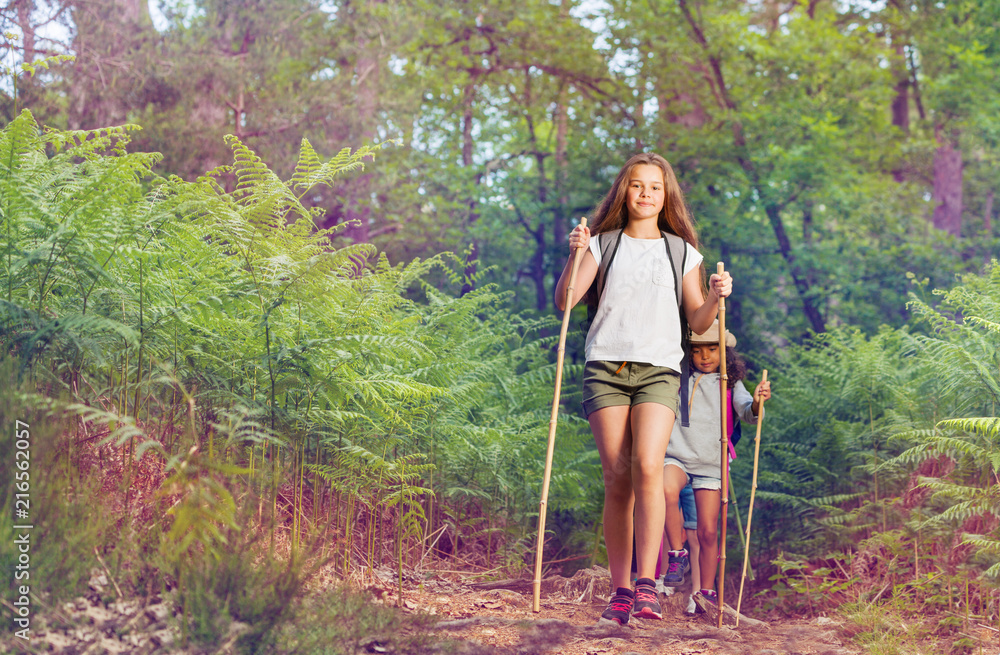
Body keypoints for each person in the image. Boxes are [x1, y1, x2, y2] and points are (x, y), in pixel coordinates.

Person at [554, 152, 732, 625]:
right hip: (605, 367)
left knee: (650, 466)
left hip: (659, 370)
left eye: (655, 187)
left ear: (666, 194)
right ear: (624, 192)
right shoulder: (602, 245)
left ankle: (649, 586)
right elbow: (567, 300)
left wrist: (715, 296)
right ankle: (620, 590)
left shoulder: (681, 252)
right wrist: (575, 254)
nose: (646, 194)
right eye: (637, 186)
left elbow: (697, 321)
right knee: (618, 477)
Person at [661, 321, 771, 608]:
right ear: (688, 353)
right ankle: (676, 554)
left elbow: (748, 413)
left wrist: (758, 402)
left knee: (709, 531)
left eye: (713, 349)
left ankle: (705, 594)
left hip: (712, 463)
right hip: (676, 455)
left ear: (726, 353)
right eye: (697, 351)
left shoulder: (731, 384)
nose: (705, 356)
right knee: (665, 491)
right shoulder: (675, 378)